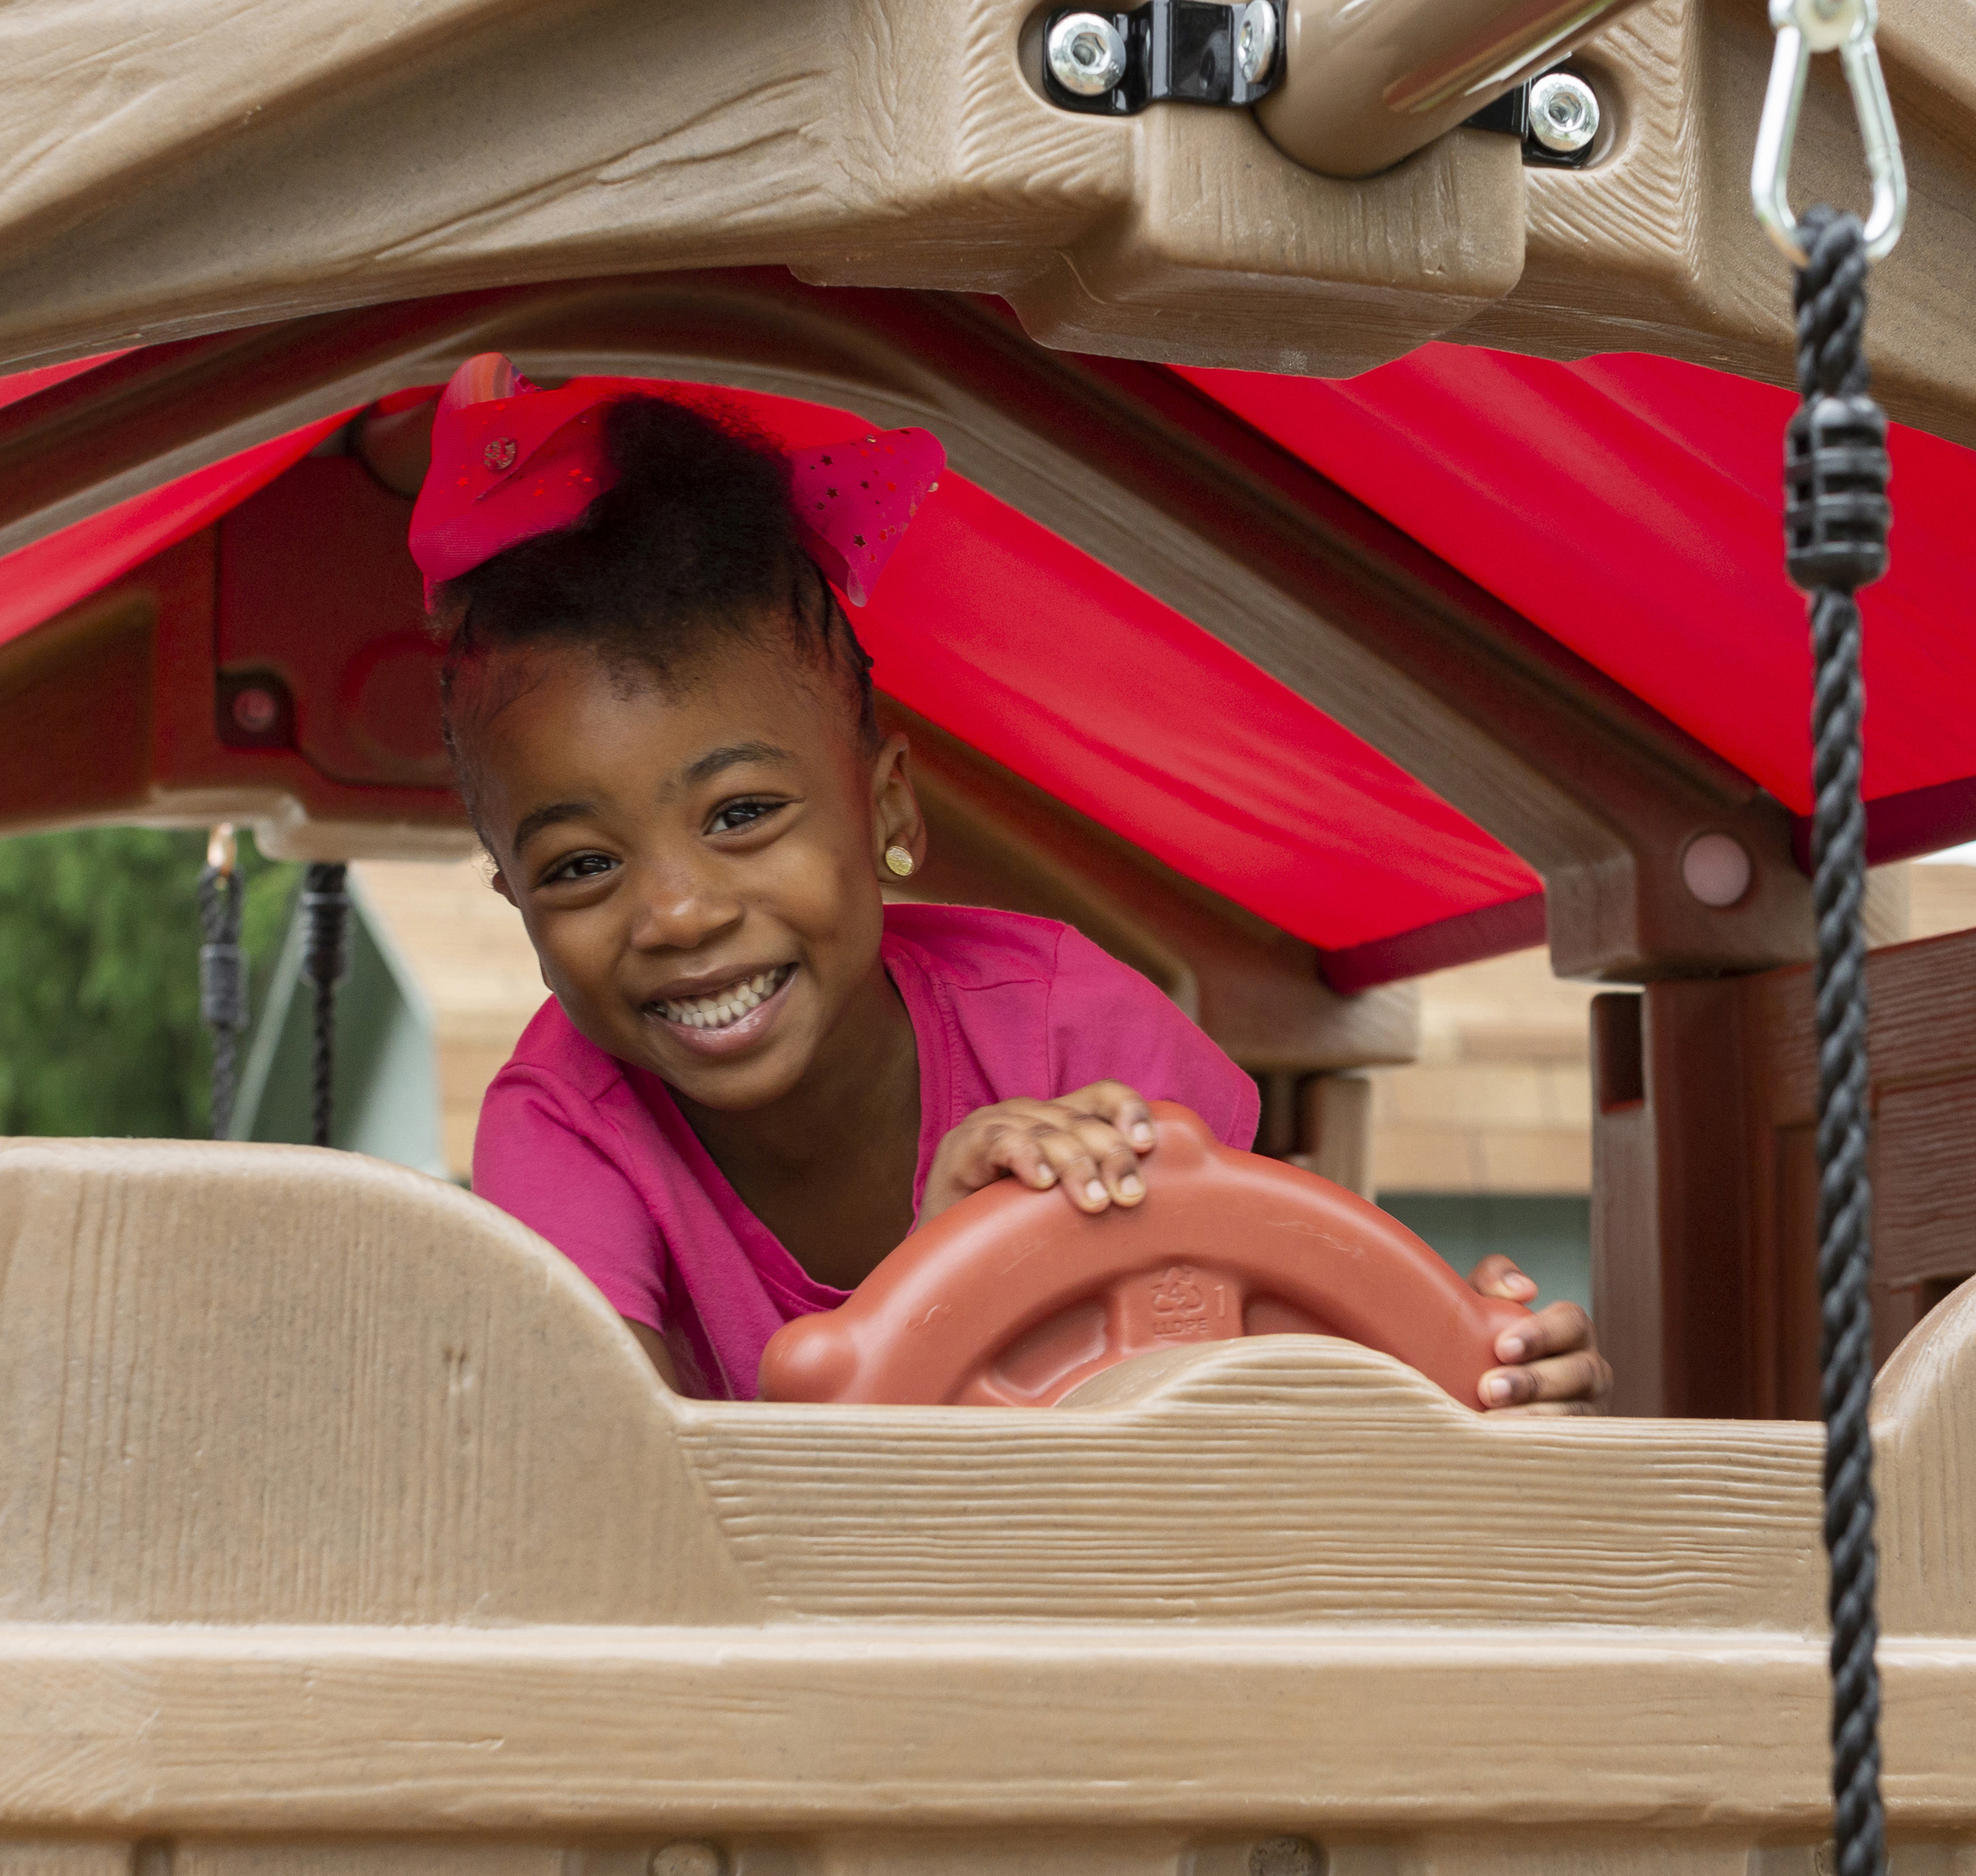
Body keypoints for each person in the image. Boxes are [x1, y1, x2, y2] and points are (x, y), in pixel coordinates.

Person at [412, 354, 1612, 1413]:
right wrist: (947, 1282)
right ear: (515, 900)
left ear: (886, 807)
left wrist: (1488, 1379)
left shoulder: (1072, 1032)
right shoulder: (564, 1131)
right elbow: (616, 1516)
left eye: (741, 815)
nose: (677, 913)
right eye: (581, 866)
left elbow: (1300, 1381)